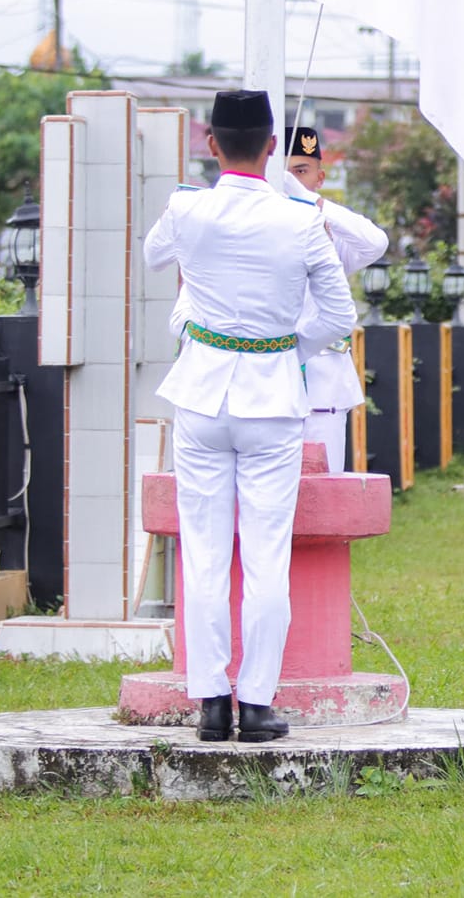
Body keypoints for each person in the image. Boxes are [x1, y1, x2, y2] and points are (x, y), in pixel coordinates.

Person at [144, 90, 356, 744]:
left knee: (204, 554)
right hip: (271, 401)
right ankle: (257, 703)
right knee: (265, 558)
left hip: (202, 396)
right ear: (271, 147)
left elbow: (154, 256)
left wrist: (198, 316)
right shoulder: (299, 218)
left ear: (211, 142)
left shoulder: (186, 208)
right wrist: (289, 343)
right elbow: (341, 316)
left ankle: (211, 701)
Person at [275, 125, 388, 473]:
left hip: (322, 386)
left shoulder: (331, 234)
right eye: (285, 175)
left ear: (319, 178)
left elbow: (375, 242)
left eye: (301, 172)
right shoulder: (259, 230)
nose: (292, 181)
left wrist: (309, 202)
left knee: (324, 489)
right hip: (271, 376)